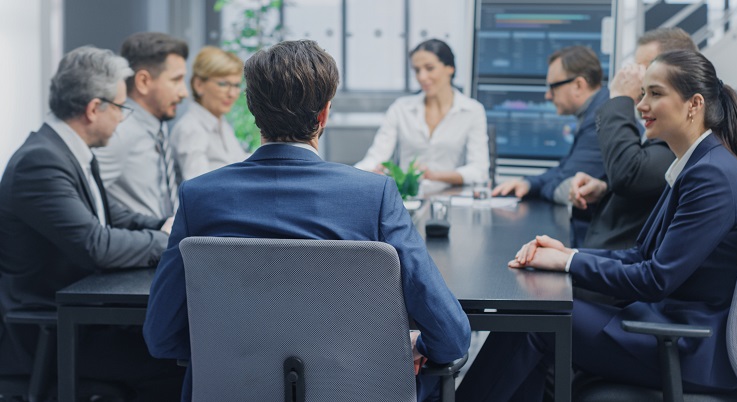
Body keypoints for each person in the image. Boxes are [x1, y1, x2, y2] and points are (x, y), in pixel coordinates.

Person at [143, 39, 471, 402]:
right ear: (324, 115)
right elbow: (451, 336)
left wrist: (242, 355)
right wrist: (416, 343)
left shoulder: (199, 197)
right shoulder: (372, 196)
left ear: (253, 110)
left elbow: (162, 337)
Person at [456, 50, 737, 401]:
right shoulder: (697, 164)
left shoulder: (710, 175)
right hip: (667, 328)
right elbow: (640, 254)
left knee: (536, 321)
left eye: (655, 94)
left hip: (683, 345)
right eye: (643, 93)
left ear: (693, 104)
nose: (641, 105)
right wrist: (568, 253)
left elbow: (655, 278)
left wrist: (569, 263)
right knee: (536, 315)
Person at [0, 46, 182, 400]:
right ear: (94, 108)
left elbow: (119, 216)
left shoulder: (69, 152)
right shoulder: (40, 162)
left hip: (77, 318)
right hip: (47, 333)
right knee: (171, 362)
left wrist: (169, 224)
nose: (122, 118)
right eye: (120, 107)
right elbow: (96, 246)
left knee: (174, 347)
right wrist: (168, 242)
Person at [570, 27, 699, 250]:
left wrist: (620, 98)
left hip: (620, 267)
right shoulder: (668, 134)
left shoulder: (684, 140)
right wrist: (604, 189)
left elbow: (628, 173)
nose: (639, 81)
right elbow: (644, 185)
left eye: (645, 69)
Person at [491, 46, 609, 247]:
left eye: (553, 87)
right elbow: (565, 168)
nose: (547, 96)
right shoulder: (594, 113)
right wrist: (529, 183)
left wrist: (541, 187)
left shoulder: (602, 118)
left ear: (579, 85)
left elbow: (566, 184)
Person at [354, 39, 489, 190]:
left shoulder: (472, 111)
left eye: (429, 68)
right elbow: (375, 157)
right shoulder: (401, 108)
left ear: (450, 68)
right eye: (417, 70)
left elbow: (479, 170)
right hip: (407, 199)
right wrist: (359, 174)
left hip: (449, 198)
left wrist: (434, 175)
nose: (422, 77)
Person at [95, 32, 189, 219]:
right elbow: (85, 196)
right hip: (140, 242)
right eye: (176, 80)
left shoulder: (157, 127)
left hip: (161, 240)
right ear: (143, 82)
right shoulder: (119, 131)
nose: (184, 92)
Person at [171, 46, 248, 180]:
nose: (232, 94)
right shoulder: (191, 129)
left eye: (236, 85)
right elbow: (198, 186)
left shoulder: (221, 123)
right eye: (224, 84)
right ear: (198, 85)